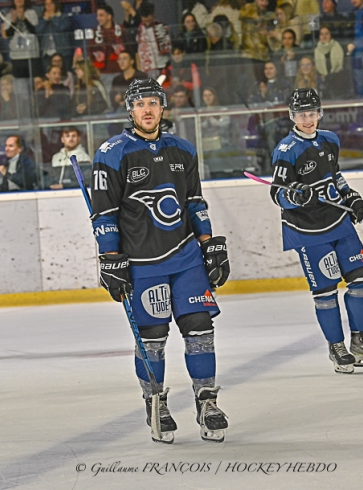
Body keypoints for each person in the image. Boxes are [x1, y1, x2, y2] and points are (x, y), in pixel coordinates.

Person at [89, 78, 231, 444]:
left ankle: (207, 401)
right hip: (142, 263)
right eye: (140, 104)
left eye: (153, 102)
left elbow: (194, 203)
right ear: (130, 110)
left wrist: (209, 244)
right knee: (153, 337)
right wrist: (110, 259)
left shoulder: (183, 149)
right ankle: (156, 403)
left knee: (200, 327)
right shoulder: (112, 152)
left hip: (185, 257)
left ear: (163, 107)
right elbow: (104, 214)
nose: (147, 110)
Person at [268, 88, 363, 374]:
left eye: (312, 113)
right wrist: (293, 196)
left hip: (338, 221)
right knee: (325, 290)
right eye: (302, 114)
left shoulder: (330, 140)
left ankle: (361, 340)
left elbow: (335, 176)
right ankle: (337, 347)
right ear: (292, 116)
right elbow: (277, 193)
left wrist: (353, 198)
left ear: (320, 113)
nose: (308, 119)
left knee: (360, 277)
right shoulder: (287, 149)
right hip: (307, 229)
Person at [89, 3, 127, 95]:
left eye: (101, 15)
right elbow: (90, 51)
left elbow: (129, 49)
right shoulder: (95, 32)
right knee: (109, 99)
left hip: (121, 70)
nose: (98, 18)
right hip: (104, 72)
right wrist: (96, 69)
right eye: (97, 15)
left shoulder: (120, 29)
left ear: (109, 16)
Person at [1, 0, 40, 79]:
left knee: (34, 80)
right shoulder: (9, 15)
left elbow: (34, 30)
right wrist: (14, 22)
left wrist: (23, 18)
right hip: (16, 55)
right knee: (20, 82)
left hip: (31, 54)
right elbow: (8, 34)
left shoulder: (31, 13)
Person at [135, 2, 171, 80]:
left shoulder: (161, 27)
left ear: (153, 15)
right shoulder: (138, 31)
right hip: (146, 68)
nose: (147, 22)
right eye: (145, 20)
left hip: (162, 65)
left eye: (149, 20)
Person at [36, 0, 73, 72]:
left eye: (51, 4)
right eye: (46, 4)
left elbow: (62, 27)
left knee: (65, 74)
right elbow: (38, 31)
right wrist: (45, 19)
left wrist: (53, 17)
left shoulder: (64, 17)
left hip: (63, 54)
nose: (48, 6)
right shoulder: (43, 19)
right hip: (47, 55)